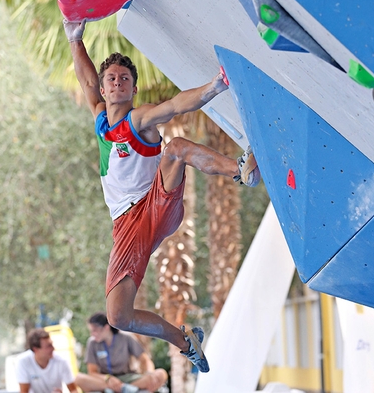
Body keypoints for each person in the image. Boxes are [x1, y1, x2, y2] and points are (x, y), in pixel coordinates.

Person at [63, 19, 261, 373]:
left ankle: (240, 170)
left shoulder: (139, 120)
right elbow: (86, 79)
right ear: (106, 91)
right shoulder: (100, 119)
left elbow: (175, 106)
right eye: (113, 79)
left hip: (155, 202)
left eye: (125, 79)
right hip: (127, 223)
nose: (118, 82)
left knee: (177, 147)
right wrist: (74, 37)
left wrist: (216, 84)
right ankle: (185, 341)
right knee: (118, 315)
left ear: (133, 90)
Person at [74, 311, 168, 393]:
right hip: (105, 381)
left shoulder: (126, 337)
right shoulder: (92, 343)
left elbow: (145, 360)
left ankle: (123, 388)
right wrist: (108, 378)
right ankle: (126, 389)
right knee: (78, 378)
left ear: (106, 328)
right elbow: (92, 372)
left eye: (95, 331)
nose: (92, 334)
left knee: (161, 373)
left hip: (129, 378)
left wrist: (149, 373)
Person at [15, 328, 78, 393]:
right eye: (48, 346)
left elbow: (74, 390)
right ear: (35, 349)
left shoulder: (61, 361)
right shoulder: (23, 361)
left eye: (52, 344)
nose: (53, 348)